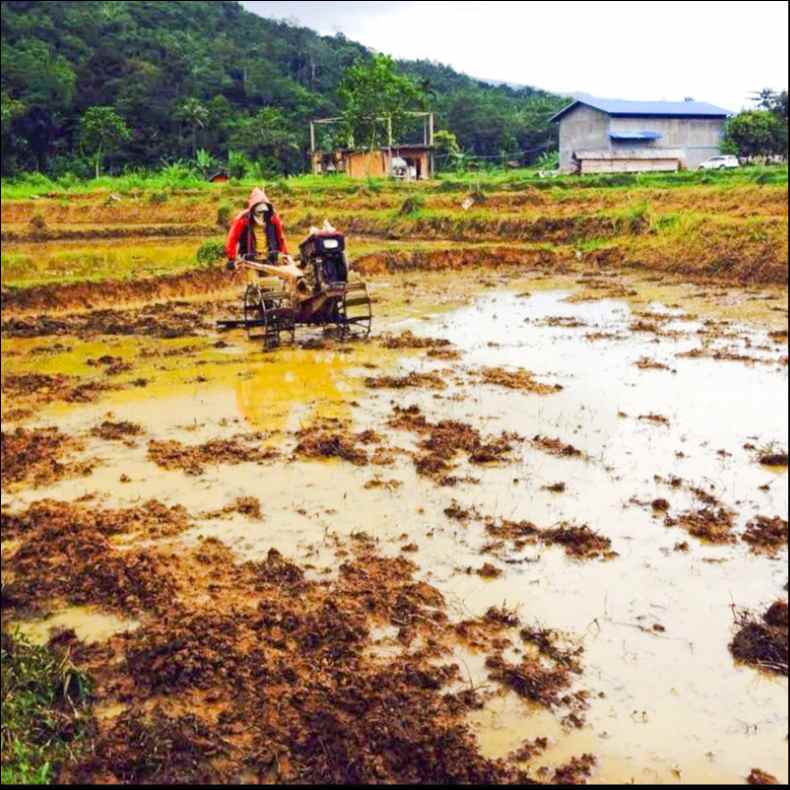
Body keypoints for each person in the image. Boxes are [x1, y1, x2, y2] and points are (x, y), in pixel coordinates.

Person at [225, 187, 290, 270]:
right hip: (249, 259)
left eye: (264, 211)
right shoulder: (242, 218)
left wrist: (285, 253)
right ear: (253, 209)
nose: (262, 214)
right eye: (259, 211)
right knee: (253, 282)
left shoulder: (273, 217)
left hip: (270, 257)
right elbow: (232, 238)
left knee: (272, 281)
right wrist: (231, 259)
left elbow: (280, 236)